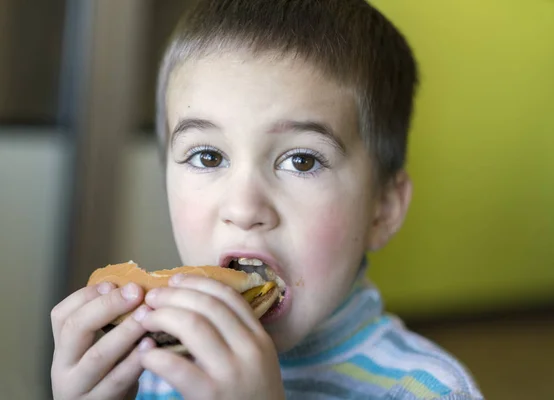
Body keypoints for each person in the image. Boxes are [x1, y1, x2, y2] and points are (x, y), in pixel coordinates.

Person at [50, 0, 483, 399]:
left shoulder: (428, 390)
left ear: (382, 210)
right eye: (208, 155)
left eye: (301, 161)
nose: (243, 209)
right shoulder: (149, 370)